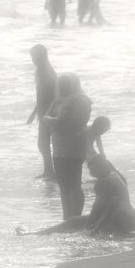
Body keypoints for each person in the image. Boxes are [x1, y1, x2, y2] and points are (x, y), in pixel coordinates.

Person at [23, 155, 135, 236]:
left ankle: (36, 234)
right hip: (131, 220)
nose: (91, 173)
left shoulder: (106, 181)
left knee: (73, 223)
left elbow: (100, 209)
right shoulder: (115, 175)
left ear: (101, 166)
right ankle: (36, 233)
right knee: (75, 222)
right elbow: (104, 209)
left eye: (92, 169)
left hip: (124, 221)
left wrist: (91, 229)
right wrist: (91, 226)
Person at [42, 73, 92, 220]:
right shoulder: (58, 101)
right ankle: (67, 217)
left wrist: (52, 120)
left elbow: (69, 122)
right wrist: (53, 120)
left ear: (73, 85)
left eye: (66, 84)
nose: (63, 87)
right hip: (58, 147)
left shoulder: (80, 101)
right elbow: (49, 118)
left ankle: (75, 216)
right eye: (61, 84)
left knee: (73, 182)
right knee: (63, 183)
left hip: (74, 147)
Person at [26, 44, 57, 180]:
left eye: (34, 57)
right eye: (31, 57)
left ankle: (50, 171)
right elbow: (40, 95)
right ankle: (49, 170)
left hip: (48, 111)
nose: (32, 60)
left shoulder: (46, 72)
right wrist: (35, 112)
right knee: (44, 142)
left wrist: (43, 113)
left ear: (41, 57)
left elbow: (48, 95)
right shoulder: (41, 70)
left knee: (43, 142)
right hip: (44, 110)